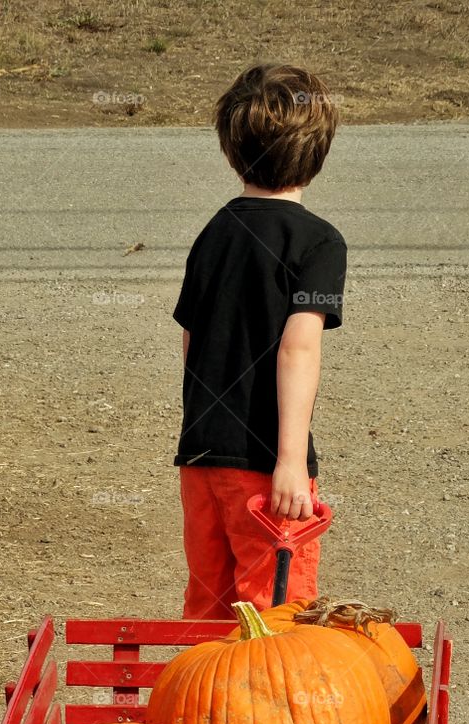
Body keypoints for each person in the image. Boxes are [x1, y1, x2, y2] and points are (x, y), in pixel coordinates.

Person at [172, 62, 346, 619]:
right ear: (318, 155)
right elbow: (297, 349)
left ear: (231, 150)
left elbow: (193, 340)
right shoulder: (319, 241)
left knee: (210, 605)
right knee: (275, 617)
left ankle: (196, 709)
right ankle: (265, 711)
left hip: (202, 457)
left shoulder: (215, 231)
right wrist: (290, 461)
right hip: (265, 465)